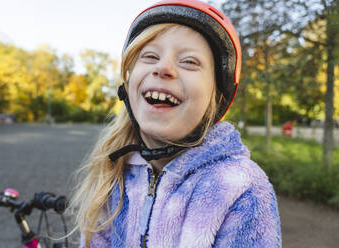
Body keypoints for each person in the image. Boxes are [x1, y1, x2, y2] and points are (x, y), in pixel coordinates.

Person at [71, 0, 282, 247]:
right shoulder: (115, 174)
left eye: (189, 61)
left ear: (217, 97)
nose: (163, 68)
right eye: (150, 56)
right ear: (127, 86)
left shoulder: (239, 188)